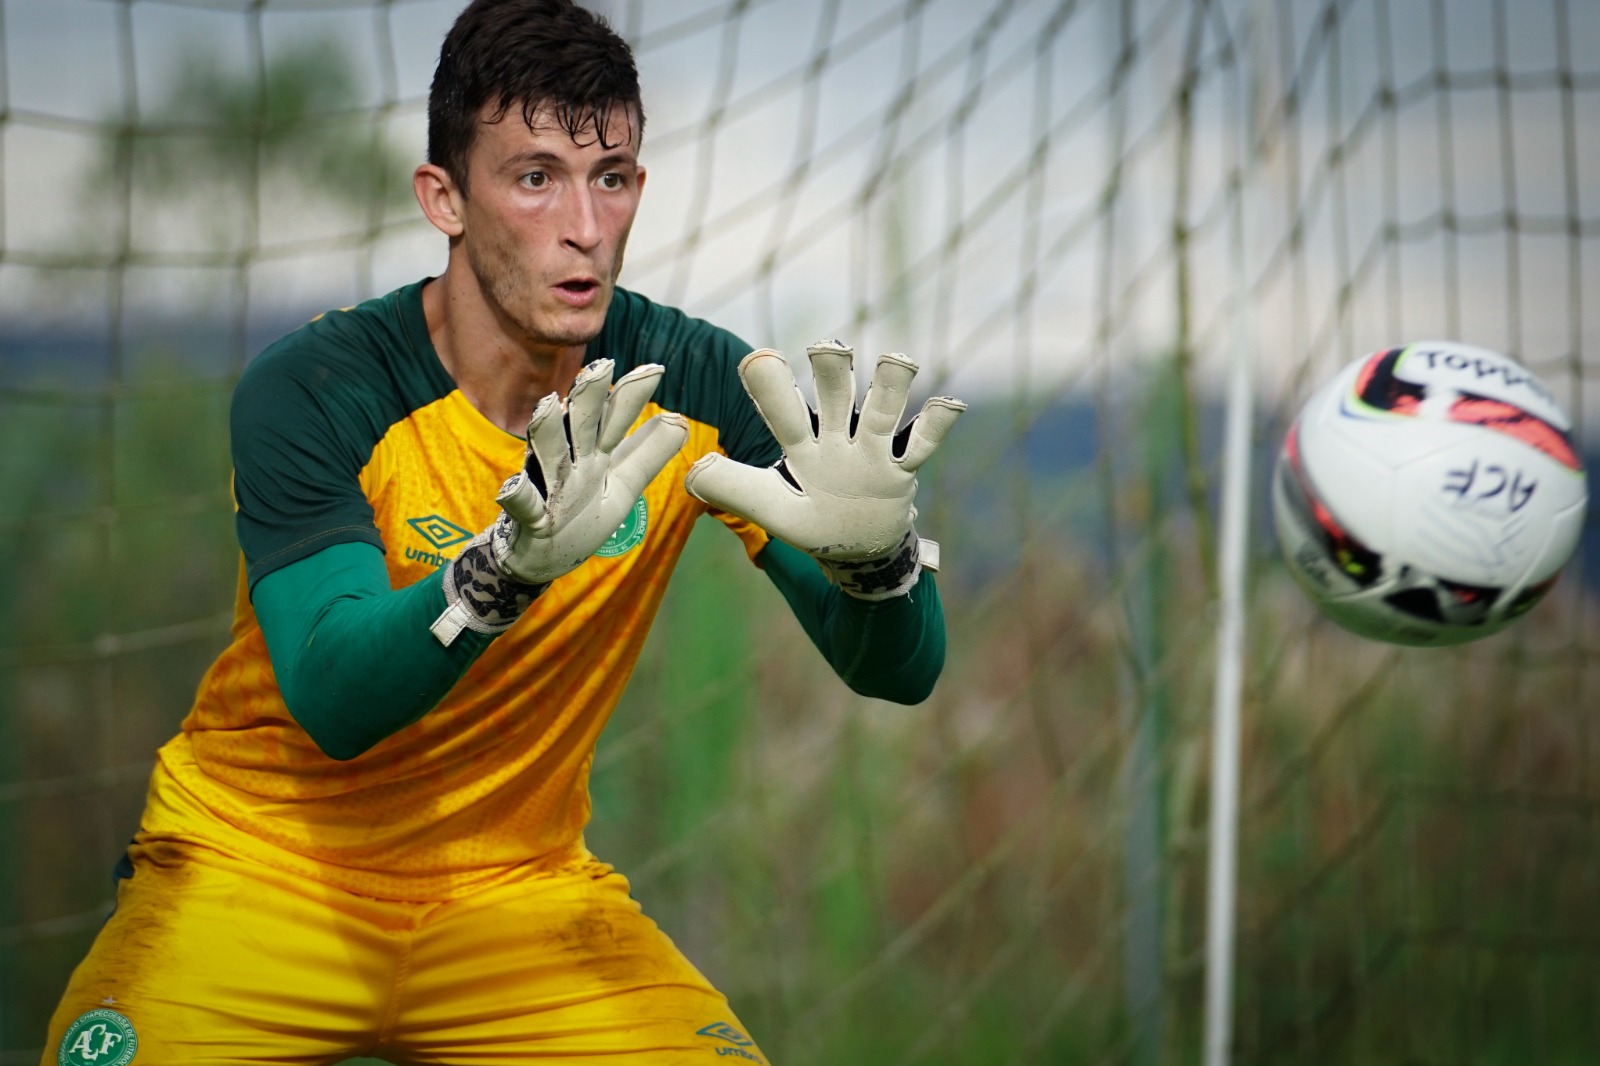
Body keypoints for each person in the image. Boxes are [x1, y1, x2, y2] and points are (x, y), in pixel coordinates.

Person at [41, 1, 963, 1062]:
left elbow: (897, 674)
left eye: (608, 177)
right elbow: (336, 699)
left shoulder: (700, 382)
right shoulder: (320, 386)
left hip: (515, 893)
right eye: (534, 178)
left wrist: (880, 568)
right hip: (256, 870)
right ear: (444, 198)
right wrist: (498, 576)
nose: (582, 224)